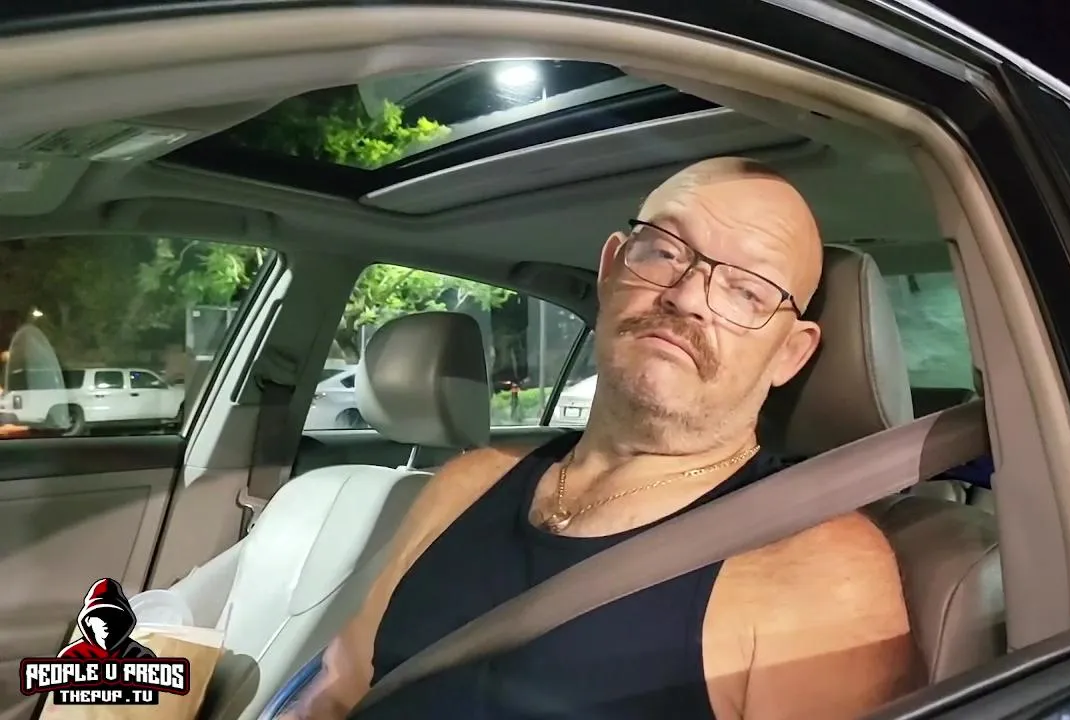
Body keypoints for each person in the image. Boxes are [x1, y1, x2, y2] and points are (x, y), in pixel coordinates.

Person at [281, 157, 921, 720]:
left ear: (789, 354)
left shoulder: (818, 567)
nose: (687, 297)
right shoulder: (463, 485)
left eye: (748, 291)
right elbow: (334, 698)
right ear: (613, 270)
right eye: (665, 251)